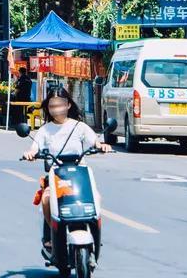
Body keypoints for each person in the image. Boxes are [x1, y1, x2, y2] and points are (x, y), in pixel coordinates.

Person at [21, 86, 111, 252]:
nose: (56, 109)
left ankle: (96, 236)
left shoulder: (79, 126)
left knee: (96, 199)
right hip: (57, 178)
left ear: (68, 105)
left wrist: (102, 145)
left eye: (60, 104)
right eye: (52, 106)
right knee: (47, 200)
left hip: (79, 176)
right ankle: (54, 235)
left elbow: (94, 141)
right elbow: (35, 147)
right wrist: (30, 153)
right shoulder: (44, 129)